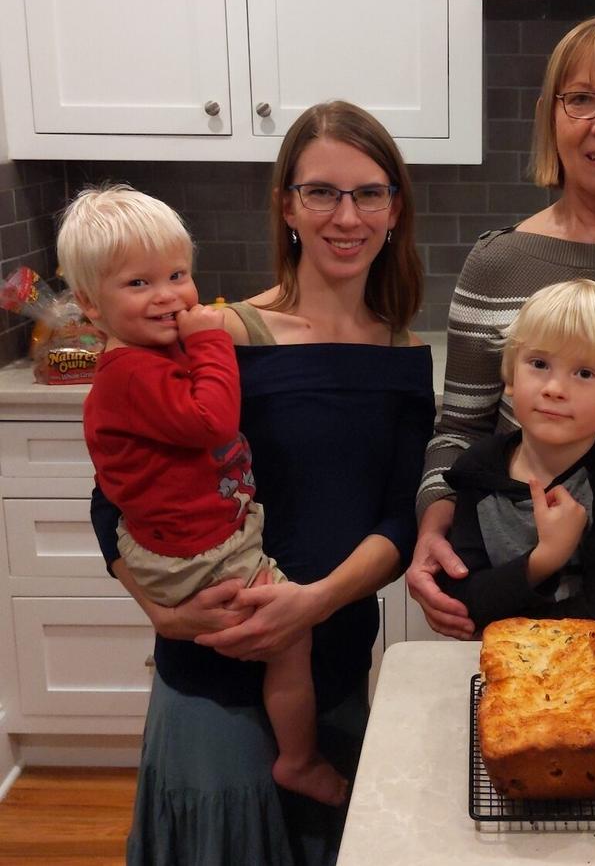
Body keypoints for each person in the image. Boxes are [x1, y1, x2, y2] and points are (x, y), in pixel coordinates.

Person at [88, 101, 435, 864]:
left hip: (334, 656)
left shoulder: (404, 355)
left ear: (393, 209)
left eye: (368, 192)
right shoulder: (221, 336)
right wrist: (161, 611)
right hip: (216, 661)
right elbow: (114, 491)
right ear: (287, 205)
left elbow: (398, 522)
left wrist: (310, 605)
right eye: (321, 192)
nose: (345, 216)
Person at [59, 185, 347, 808]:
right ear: (89, 303)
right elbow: (212, 422)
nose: (168, 295)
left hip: (186, 538)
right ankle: (298, 760)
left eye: (177, 275)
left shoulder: (150, 358)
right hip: (199, 554)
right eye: (138, 284)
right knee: (289, 639)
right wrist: (213, 341)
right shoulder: (132, 371)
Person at [409, 14, 595, 638]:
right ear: (549, 117)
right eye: (582, 99)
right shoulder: (497, 262)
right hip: (511, 594)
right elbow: (459, 428)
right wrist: (433, 526)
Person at [435, 278, 595, 647]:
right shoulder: (479, 468)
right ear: (509, 375)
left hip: (590, 674)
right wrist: (545, 559)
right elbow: (463, 604)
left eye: (584, 373)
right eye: (539, 363)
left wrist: (505, 621)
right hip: (498, 670)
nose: (554, 388)